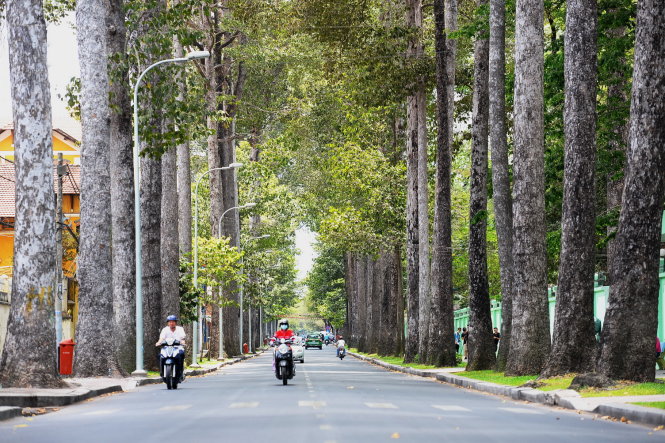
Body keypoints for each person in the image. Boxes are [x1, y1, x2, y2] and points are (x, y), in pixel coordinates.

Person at [156, 315, 186, 382]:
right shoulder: (165, 329)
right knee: (161, 356)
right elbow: (162, 338)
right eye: (170, 322)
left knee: (181, 354)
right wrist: (158, 343)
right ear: (168, 323)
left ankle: (180, 372)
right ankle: (162, 372)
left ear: (176, 322)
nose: (171, 323)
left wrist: (182, 342)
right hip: (166, 348)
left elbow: (182, 338)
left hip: (178, 347)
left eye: (173, 322)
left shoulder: (180, 329)